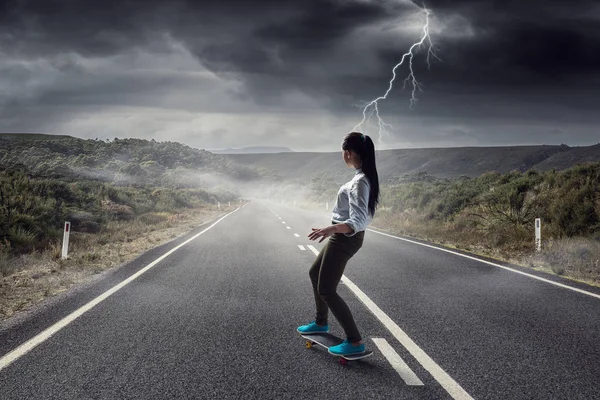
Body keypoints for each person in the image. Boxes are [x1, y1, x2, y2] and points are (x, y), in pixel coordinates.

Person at [297, 131, 380, 356]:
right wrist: (333, 230)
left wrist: (331, 229)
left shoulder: (360, 183)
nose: (344, 155)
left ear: (354, 153)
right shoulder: (361, 177)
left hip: (345, 238)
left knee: (326, 288)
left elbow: (358, 221)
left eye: (346, 151)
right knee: (315, 273)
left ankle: (355, 341)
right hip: (341, 236)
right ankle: (321, 322)